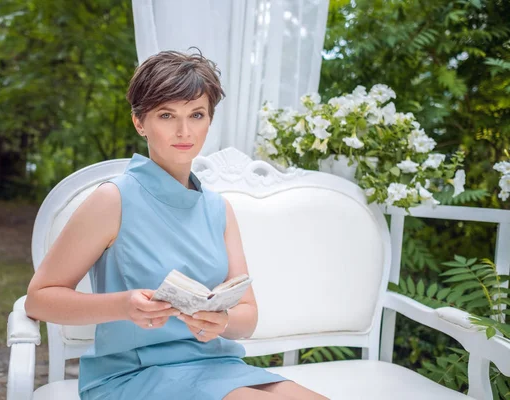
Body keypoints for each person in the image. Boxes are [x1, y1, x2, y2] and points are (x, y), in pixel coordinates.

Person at [25, 49, 328, 400]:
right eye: (167, 115)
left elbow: (248, 314)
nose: (184, 131)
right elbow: (39, 299)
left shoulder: (219, 208)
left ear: (209, 121)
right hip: (133, 375)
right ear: (140, 122)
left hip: (217, 366)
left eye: (196, 115)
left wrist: (222, 321)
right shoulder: (113, 199)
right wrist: (123, 305)